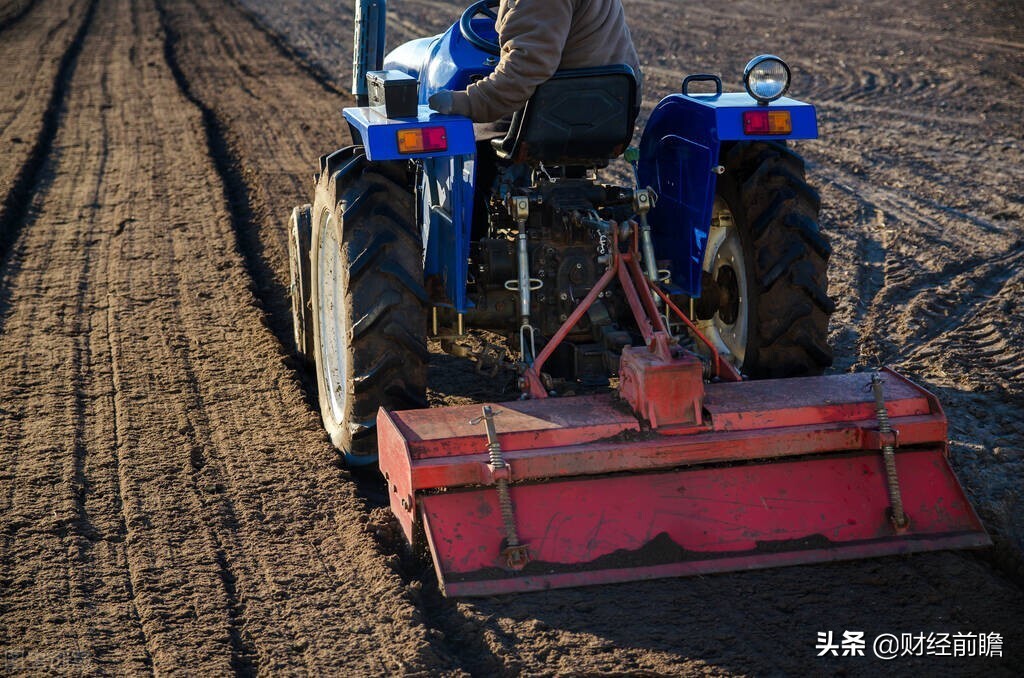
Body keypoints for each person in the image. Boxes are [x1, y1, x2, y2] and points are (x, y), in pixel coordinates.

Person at [429, 0, 642, 123]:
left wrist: (466, 102)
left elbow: (524, 71)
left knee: (462, 133)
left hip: (568, 110)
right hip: (612, 102)